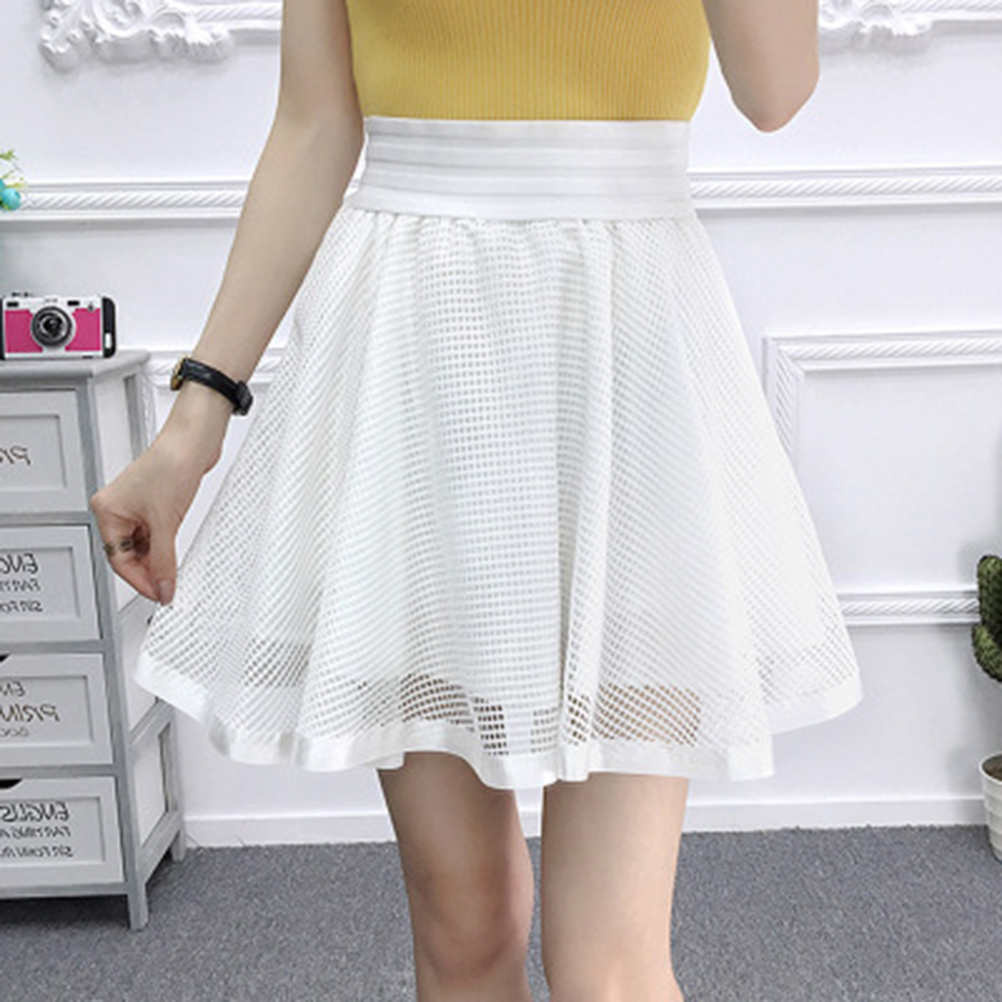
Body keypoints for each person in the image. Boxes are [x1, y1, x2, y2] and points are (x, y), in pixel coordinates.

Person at [89, 2, 864, 999]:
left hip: (625, 362)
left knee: (608, 966)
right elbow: (314, 126)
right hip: (416, 349)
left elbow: (776, 90)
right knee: (465, 925)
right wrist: (190, 430)